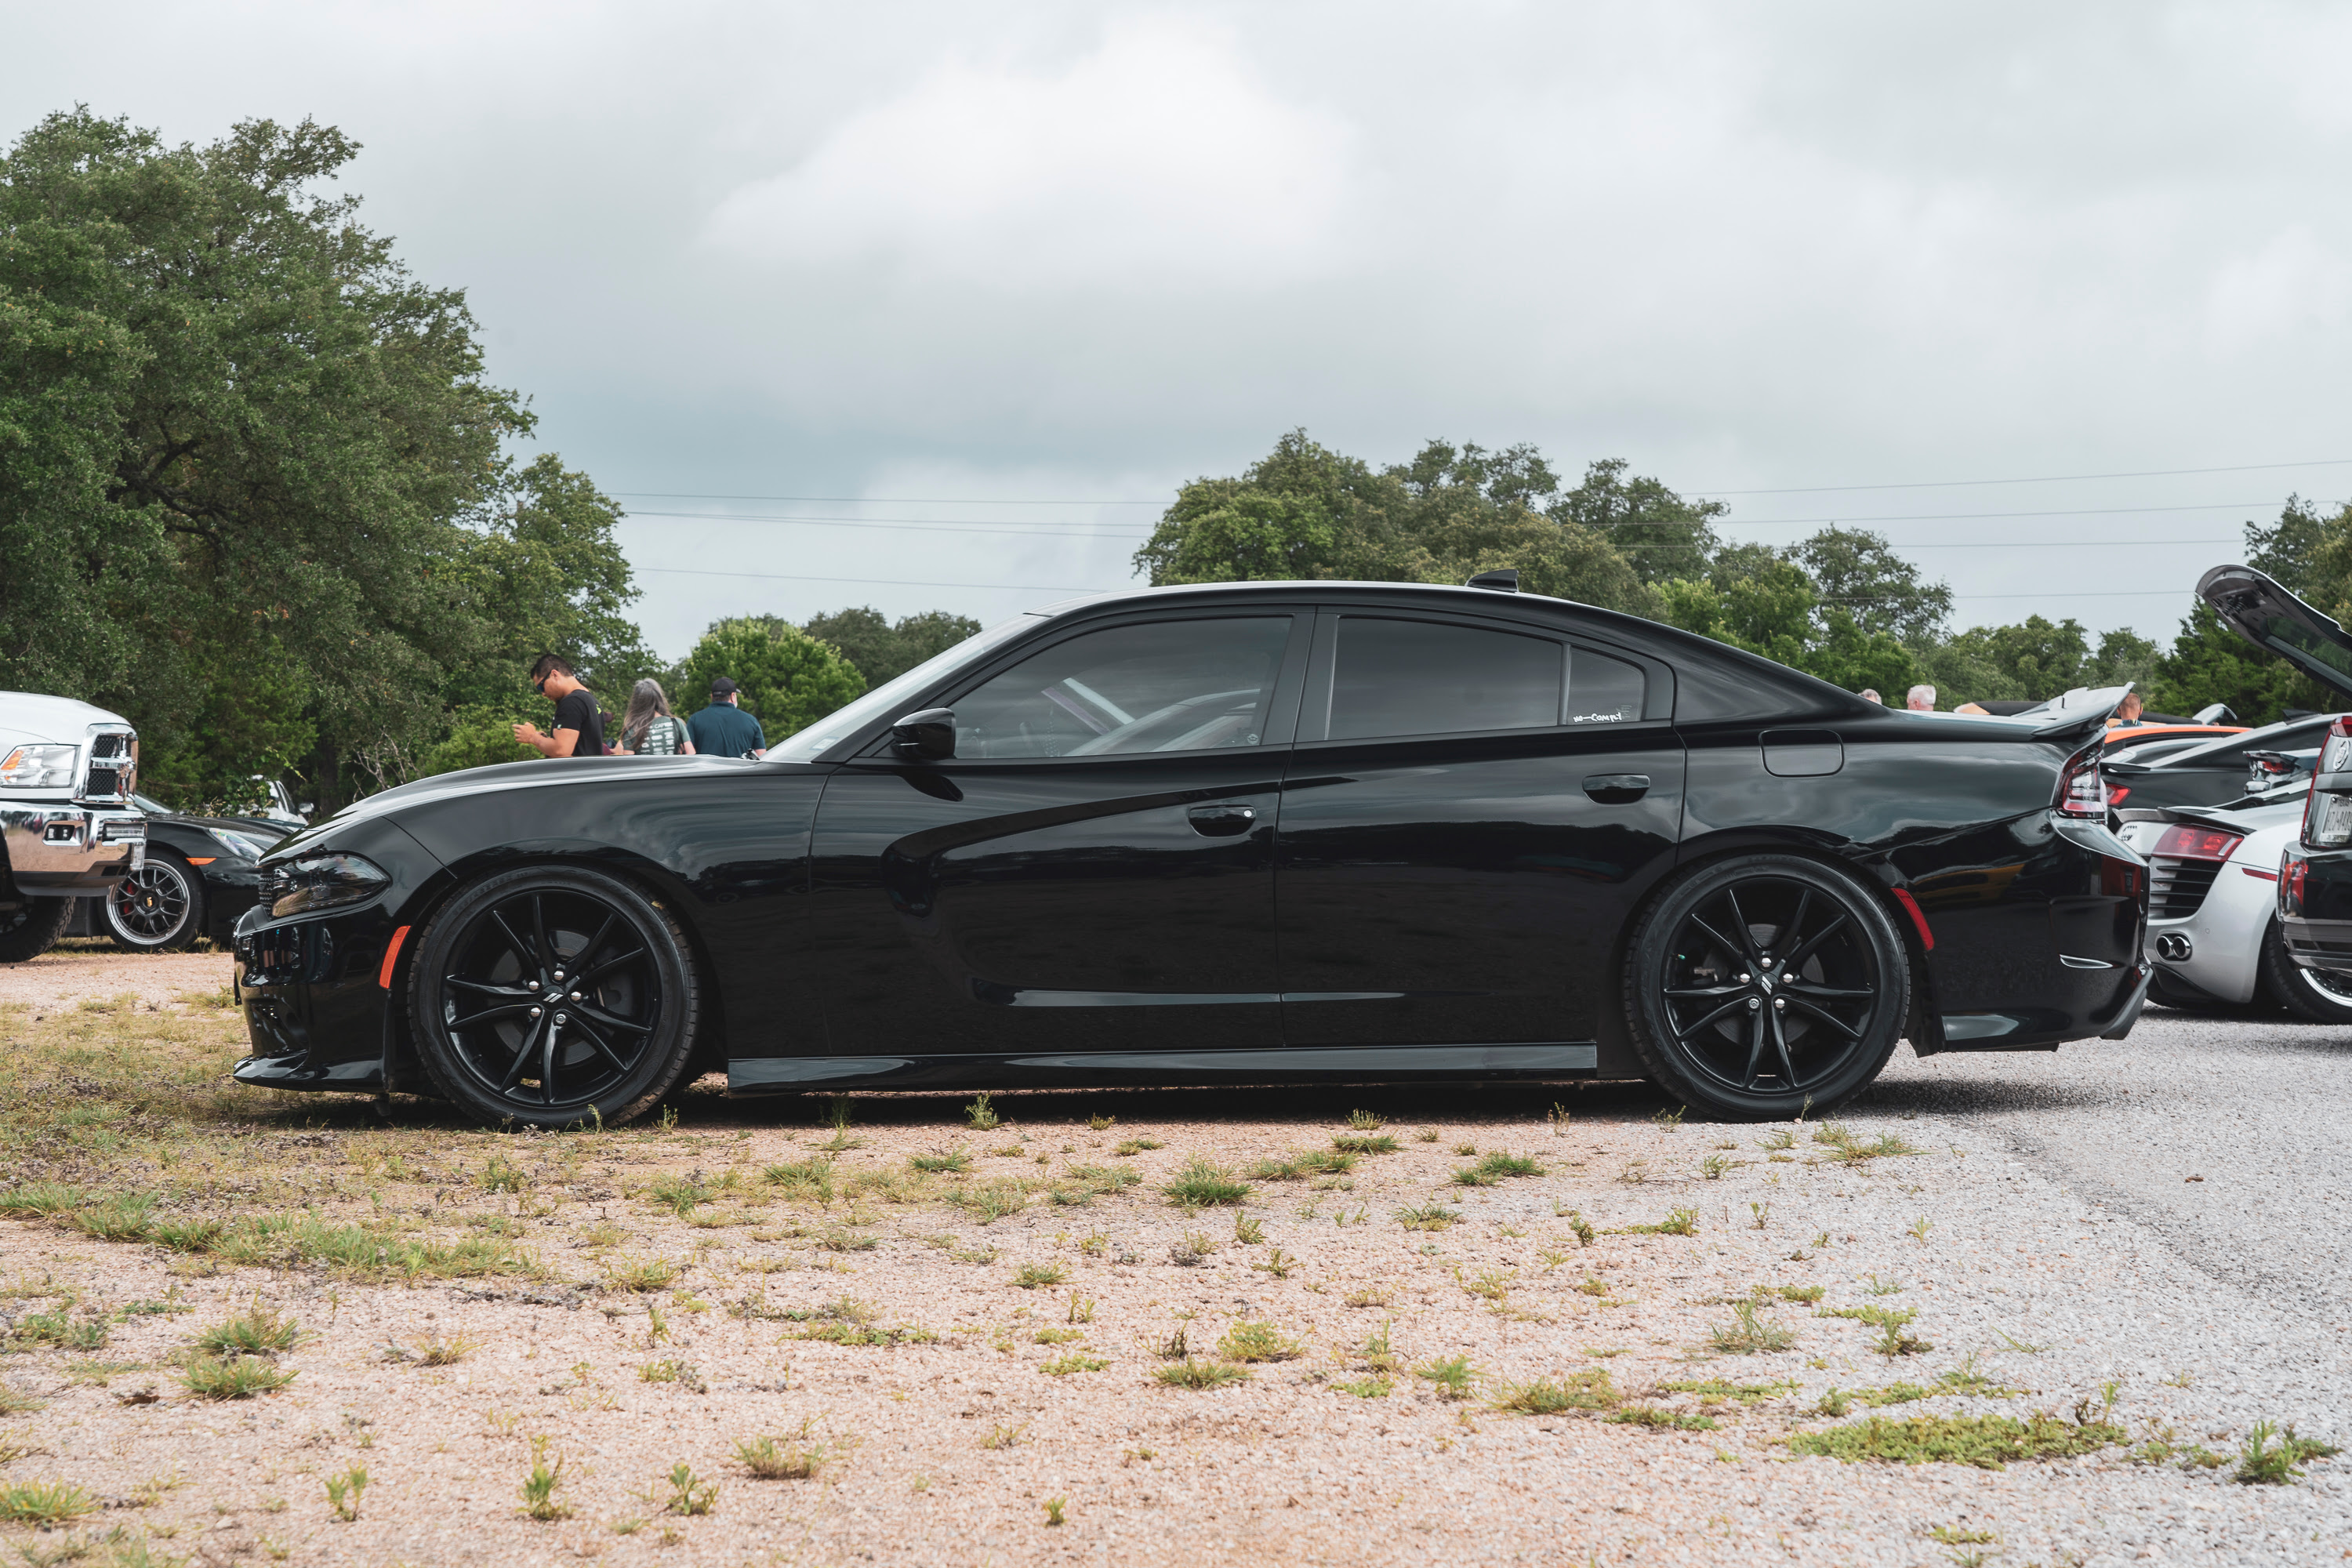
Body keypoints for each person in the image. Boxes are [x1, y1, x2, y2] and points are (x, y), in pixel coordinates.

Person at [513, 653, 604, 759]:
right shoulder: (591, 701)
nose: (543, 694)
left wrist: (532, 737)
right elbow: (581, 747)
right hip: (588, 772)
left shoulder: (572, 702)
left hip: (572, 774)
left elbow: (561, 750)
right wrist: (545, 740)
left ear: (555, 675)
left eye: (541, 687)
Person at [688, 676, 767, 759]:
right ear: (733, 696)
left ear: (712, 696)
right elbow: (762, 757)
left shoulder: (695, 720)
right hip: (740, 771)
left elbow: (688, 754)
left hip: (707, 771)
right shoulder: (751, 721)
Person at [617, 679, 695, 756]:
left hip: (645, 768)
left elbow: (630, 763)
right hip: (672, 768)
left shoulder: (631, 729)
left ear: (636, 701)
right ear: (659, 698)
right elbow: (691, 754)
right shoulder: (676, 723)